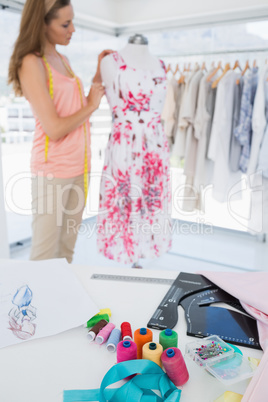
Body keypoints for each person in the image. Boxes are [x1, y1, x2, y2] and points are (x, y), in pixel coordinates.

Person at [8, 0, 113, 263]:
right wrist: (91, 106)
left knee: (66, 251)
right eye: (65, 24)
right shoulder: (32, 63)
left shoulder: (63, 59)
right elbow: (54, 128)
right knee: (44, 255)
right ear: (42, 25)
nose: (73, 29)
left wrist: (99, 74)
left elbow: (75, 108)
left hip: (80, 167)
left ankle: (59, 302)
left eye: (72, 21)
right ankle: (37, 304)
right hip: (52, 172)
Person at [97, 34, 172, 268]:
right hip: (125, 144)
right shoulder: (110, 62)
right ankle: (127, 253)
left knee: (151, 200)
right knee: (124, 200)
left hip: (155, 146)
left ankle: (144, 251)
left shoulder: (160, 65)